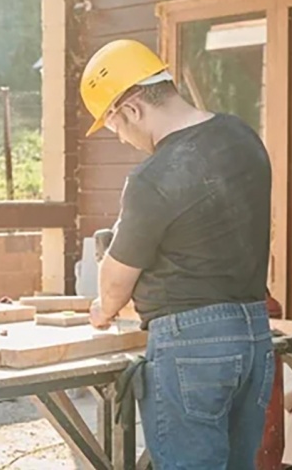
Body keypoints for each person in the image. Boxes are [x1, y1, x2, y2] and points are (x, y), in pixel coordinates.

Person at [80, 40, 274, 469]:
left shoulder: (154, 176)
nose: (124, 140)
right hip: (256, 334)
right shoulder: (244, 138)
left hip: (191, 346)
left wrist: (100, 309)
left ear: (132, 108)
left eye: (116, 126)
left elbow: (114, 285)